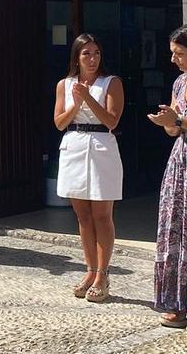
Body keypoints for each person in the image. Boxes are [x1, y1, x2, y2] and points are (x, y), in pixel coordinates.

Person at [54, 34, 124, 303]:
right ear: (77, 57)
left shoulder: (111, 83)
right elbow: (59, 122)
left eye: (96, 53)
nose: (92, 59)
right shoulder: (65, 84)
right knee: (83, 215)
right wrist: (77, 103)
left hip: (102, 145)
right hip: (74, 143)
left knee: (102, 214)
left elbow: (111, 120)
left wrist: (88, 98)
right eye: (86, 54)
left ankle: (103, 274)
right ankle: (90, 269)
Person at [147, 24, 187, 334]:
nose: (174, 60)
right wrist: (168, 123)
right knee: (177, 232)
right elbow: (175, 130)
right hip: (181, 164)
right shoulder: (181, 83)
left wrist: (180, 120)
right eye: (172, 53)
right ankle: (180, 303)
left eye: (179, 53)